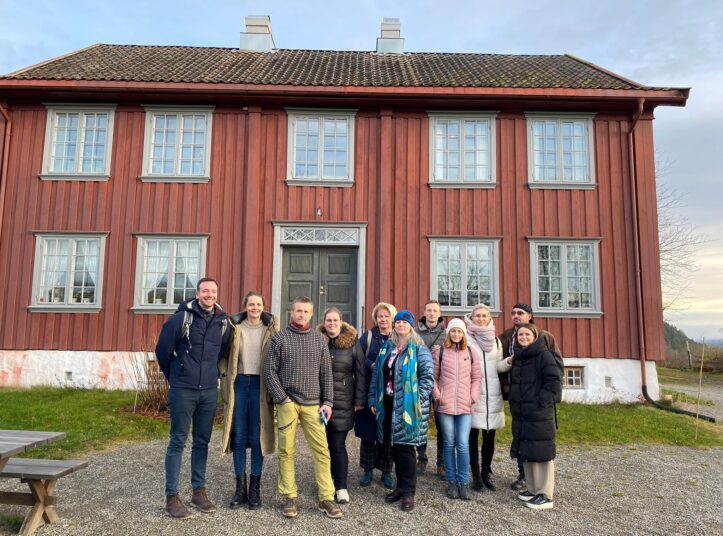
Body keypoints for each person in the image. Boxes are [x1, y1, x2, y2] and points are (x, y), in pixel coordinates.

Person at [155, 277, 231, 519]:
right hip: (183, 389)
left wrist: (213, 374)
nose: (210, 295)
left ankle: (198, 491)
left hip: (209, 390)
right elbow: (162, 350)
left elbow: (222, 351)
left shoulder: (223, 322)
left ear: (217, 294)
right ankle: (172, 497)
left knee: (202, 441)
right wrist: (176, 376)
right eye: (205, 291)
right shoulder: (181, 318)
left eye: (213, 291)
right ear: (197, 293)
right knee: (178, 441)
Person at [263, 297, 342, 519]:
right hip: (288, 402)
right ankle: (290, 497)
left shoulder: (319, 340)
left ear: (311, 314)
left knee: (322, 451)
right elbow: (269, 371)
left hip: (313, 405)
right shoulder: (279, 339)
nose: (302, 315)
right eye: (298, 311)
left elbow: (327, 373)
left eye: (306, 312)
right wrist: (282, 398)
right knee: (287, 451)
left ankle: (326, 497)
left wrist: (328, 402)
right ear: (291, 312)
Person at [219, 291, 279, 510]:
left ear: (263, 307)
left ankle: (255, 488)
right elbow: (223, 356)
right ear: (245, 306)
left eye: (258, 304)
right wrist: (225, 375)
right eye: (251, 304)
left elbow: (280, 356)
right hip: (240, 385)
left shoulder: (271, 330)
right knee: (239, 436)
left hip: (261, 386)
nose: (255, 308)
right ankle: (239, 488)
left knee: (257, 437)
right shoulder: (235, 328)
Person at [369, 310, 433, 512]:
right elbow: (377, 376)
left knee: (406, 450)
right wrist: (373, 398)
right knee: (395, 447)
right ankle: (400, 486)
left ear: (411, 326)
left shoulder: (419, 349)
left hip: (408, 408)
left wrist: (417, 400)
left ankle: (409, 492)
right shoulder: (388, 348)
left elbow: (427, 377)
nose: (401, 326)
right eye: (398, 322)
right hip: (388, 405)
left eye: (405, 322)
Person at [498, 303, 560, 491]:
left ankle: (543, 489)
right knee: (522, 439)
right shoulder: (505, 338)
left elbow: (555, 372)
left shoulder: (546, 339)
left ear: (530, 316)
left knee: (539, 445)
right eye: (513, 313)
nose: (516, 316)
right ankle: (526, 478)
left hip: (537, 404)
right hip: (517, 399)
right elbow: (501, 366)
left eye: (521, 313)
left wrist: (545, 399)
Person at [508, 323, 562, 510]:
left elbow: (553, 381)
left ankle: (545, 494)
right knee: (528, 450)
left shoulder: (543, 355)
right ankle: (532, 489)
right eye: (520, 335)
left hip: (538, 411)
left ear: (535, 336)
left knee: (542, 452)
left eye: (527, 335)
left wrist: (542, 401)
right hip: (523, 413)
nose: (523, 337)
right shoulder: (519, 357)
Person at [317, 307, 366, 504]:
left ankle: (341, 486)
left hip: (343, 402)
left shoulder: (352, 343)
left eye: (335, 320)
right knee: (322, 446)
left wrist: (359, 400)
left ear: (341, 321)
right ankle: (325, 484)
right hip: (318, 402)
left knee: (337, 445)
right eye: (329, 320)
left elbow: (361, 372)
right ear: (324, 322)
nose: (332, 324)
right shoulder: (316, 340)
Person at [431, 318, 481, 501]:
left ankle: (463, 482)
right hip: (444, 405)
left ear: (463, 334)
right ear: (449, 333)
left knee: (462, 443)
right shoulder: (440, 352)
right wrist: (437, 395)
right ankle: (451, 481)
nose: (456, 334)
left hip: (465, 405)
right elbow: (432, 377)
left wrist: (473, 396)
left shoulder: (471, 352)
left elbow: (477, 378)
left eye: (459, 331)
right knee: (449, 442)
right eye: (453, 331)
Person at [464, 303, 509, 492]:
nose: (481, 319)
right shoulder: (465, 338)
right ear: (472, 318)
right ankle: (475, 475)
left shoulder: (496, 341)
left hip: (492, 395)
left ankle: (486, 473)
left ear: (489, 318)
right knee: (472, 437)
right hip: (473, 394)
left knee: (489, 437)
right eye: (477, 316)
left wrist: (509, 362)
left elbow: (497, 367)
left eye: (484, 316)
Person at [356, 302, 397, 489]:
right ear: (376, 318)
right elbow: (359, 358)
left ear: (392, 318)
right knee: (369, 433)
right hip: (370, 391)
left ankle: (387, 471)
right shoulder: (369, 337)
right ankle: (367, 469)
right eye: (380, 316)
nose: (383, 319)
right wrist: (371, 365)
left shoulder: (398, 337)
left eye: (386, 316)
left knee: (387, 433)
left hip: (390, 394)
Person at [414, 299, 446, 478]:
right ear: (424, 313)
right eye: (429, 310)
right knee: (420, 423)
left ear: (439, 314)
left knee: (442, 425)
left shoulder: (446, 333)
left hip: (441, 384)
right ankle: (421, 457)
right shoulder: (416, 332)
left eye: (435, 311)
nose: (432, 313)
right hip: (421, 382)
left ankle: (441, 463)